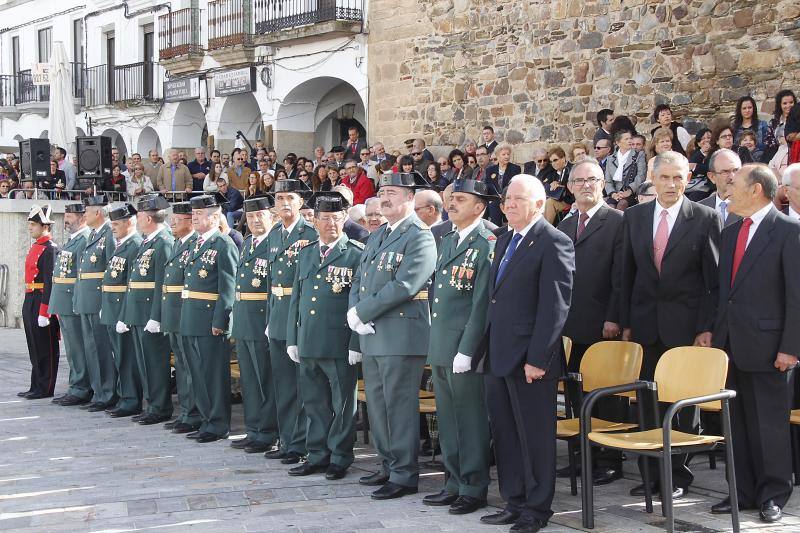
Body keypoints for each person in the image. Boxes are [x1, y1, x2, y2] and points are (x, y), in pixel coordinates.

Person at [620, 151, 721, 499]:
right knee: (649, 402)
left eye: (678, 177)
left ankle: (677, 476)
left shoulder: (705, 218)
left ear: (688, 177)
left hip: (686, 327)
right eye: (664, 177)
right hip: (646, 326)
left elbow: (713, 281)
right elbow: (626, 276)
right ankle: (651, 475)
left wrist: (706, 327)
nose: (671, 185)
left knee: (683, 408)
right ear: (652, 176)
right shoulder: (633, 217)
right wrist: (626, 322)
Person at [476, 174, 574, 532]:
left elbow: (555, 307)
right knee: (505, 433)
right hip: (500, 353)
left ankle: (536, 508)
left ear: (538, 203)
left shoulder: (554, 241)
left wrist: (538, 358)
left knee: (534, 436)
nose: (510, 205)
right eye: (506, 200)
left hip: (531, 359)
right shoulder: (505, 239)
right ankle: (513, 501)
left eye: (518, 199)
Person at [710, 163, 800, 523]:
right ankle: (742, 491)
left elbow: (796, 297)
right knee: (738, 424)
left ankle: (773, 493)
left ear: (757, 191)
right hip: (732, 346)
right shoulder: (732, 232)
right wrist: (716, 339)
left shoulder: (788, 231)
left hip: (770, 348)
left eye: (735, 182)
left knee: (768, 425)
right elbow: (725, 294)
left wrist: (791, 347)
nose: (728, 188)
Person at [348, 171, 437, 499]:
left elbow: (407, 283)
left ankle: (403, 473)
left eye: (393, 193)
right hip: (373, 333)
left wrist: (363, 311)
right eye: (382, 191)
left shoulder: (420, 235)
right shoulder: (379, 233)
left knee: (398, 405)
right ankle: (387, 464)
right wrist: (354, 311)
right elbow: (360, 277)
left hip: (401, 333)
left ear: (410, 198)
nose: (385, 198)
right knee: (379, 403)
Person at [423, 178, 496, 515]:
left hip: (465, 349)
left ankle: (473, 485)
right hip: (441, 343)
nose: (451, 204)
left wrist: (468, 349)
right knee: (448, 419)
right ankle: (453, 480)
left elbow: (481, 304)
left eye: (461, 200)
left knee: (470, 420)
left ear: (479, 207)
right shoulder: (448, 238)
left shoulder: (487, 243)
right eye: (451, 199)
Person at [285, 191, 364, 479]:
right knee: (314, 402)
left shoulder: (356, 253)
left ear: (344, 220)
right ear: (314, 221)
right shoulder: (305, 253)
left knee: (342, 405)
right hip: (308, 340)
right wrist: (292, 337)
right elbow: (297, 298)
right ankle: (316, 453)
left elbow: (359, 301)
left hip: (339, 343)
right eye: (325, 219)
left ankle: (340, 457)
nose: (331, 223)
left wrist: (356, 342)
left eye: (336, 218)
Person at [556, 161, 626, 485]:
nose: (586, 185)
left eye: (593, 180)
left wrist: (614, 316)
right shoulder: (565, 226)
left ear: (603, 184)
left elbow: (621, 276)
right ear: (570, 186)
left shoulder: (616, 222)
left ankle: (608, 460)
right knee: (576, 393)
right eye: (579, 180)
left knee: (605, 395)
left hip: (602, 324)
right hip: (569, 325)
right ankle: (580, 456)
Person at [264, 179, 318, 463]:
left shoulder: (310, 233)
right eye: (280, 197)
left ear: (300, 203)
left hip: (298, 317)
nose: (284, 203)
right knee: (283, 383)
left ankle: (302, 443)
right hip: (277, 314)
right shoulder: (275, 234)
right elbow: (272, 280)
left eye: (290, 198)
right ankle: (286, 440)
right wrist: (270, 315)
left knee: (302, 385)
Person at [180, 194, 238, 443]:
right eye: (193, 214)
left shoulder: (223, 243)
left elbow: (228, 287)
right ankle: (206, 419)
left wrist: (220, 321)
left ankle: (217, 423)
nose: (194, 217)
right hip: (191, 315)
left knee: (212, 375)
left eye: (200, 214)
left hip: (209, 318)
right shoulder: (196, 243)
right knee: (198, 373)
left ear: (215, 217)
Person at [229, 196, 280, 454]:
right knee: (249, 379)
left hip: (262, 317)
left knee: (265, 379)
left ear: (271, 216)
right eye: (250, 217)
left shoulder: (275, 242)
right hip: (244, 318)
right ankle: (254, 428)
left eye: (260, 216)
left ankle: (268, 431)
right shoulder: (248, 242)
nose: (255, 221)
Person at [121, 195, 175, 425]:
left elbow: (162, 283)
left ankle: (160, 406)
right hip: (138, 312)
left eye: (140, 215)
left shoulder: (163, 242)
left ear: (150, 218)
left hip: (150, 314)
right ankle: (152, 403)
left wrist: (156, 316)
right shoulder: (148, 241)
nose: (137, 219)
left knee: (155, 363)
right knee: (144, 362)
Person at [159, 202, 201, 434]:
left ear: (188, 221)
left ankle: (193, 412)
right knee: (182, 366)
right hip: (173, 312)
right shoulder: (178, 244)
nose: (172, 224)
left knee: (190, 366)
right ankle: (186, 410)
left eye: (177, 220)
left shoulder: (195, 244)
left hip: (186, 312)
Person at [75, 195, 119, 413]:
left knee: (102, 348)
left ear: (98, 213)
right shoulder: (93, 234)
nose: (84, 214)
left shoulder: (109, 234)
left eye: (87, 211)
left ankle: (108, 392)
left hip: (99, 300)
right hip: (87, 300)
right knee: (92, 348)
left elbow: (112, 271)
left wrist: (106, 301)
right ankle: (99, 391)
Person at [100, 203, 144, 418]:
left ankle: (131, 399)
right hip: (112, 307)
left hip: (122, 310)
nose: (113, 228)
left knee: (128, 358)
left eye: (116, 224)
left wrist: (125, 314)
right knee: (119, 357)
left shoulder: (135, 244)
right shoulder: (120, 244)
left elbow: (130, 284)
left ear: (129, 223)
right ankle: (123, 396)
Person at [50, 203, 93, 406]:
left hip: (73, 299)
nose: (66, 219)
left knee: (78, 347)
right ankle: (76, 384)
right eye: (66, 215)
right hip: (64, 299)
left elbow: (82, 274)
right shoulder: (74, 239)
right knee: (72, 348)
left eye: (69, 215)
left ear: (82, 218)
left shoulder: (84, 239)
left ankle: (82, 387)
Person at [19, 204, 60, 399]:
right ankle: (36, 384)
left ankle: (45, 386)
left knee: (46, 346)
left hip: (42, 299)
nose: (30, 227)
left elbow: (50, 282)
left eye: (34, 224)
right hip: (30, 298)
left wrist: (45, 311)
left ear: (45, 226)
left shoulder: (50, 249)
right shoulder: (37, 246)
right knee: (34, 345)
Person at [699, 149, 743, 228]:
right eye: (725, 172)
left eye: (736, 170)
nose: (732, 177)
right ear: (712, 177)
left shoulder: (753, 206)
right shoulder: (699, 209)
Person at [605, 130, 646, 210]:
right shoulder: (610, 159)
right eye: (626, 139)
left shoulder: (639, 155)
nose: (630, 141)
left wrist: (629, 191)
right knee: (610, 207)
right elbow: (608, 181)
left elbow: (641, 176)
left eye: (630, 138)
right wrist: (613, 194)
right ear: (618, 143)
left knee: (622, 204)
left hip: (632, 193)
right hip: (615, 193)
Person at [485, 143, 521, 225]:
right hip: (494, 199)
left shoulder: (515, 169)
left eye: (508, 154)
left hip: (509, 198)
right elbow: (488, 185)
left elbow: (514, 185)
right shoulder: (490, 170)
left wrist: (504, 194)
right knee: (492, 205)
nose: (506, 156)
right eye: (503, 154)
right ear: (497, 156)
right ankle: (495, 231)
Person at [542, 147, 573, 224]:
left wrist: (561, 186)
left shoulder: (572, 169)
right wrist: (551, 184)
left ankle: (545, 230)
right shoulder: (553, 172)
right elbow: (545, 183)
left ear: (563, 158)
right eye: (551, 162)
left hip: (569, 200)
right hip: (558, 200)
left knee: (549, 202)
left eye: (555, 160)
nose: (553, 164)